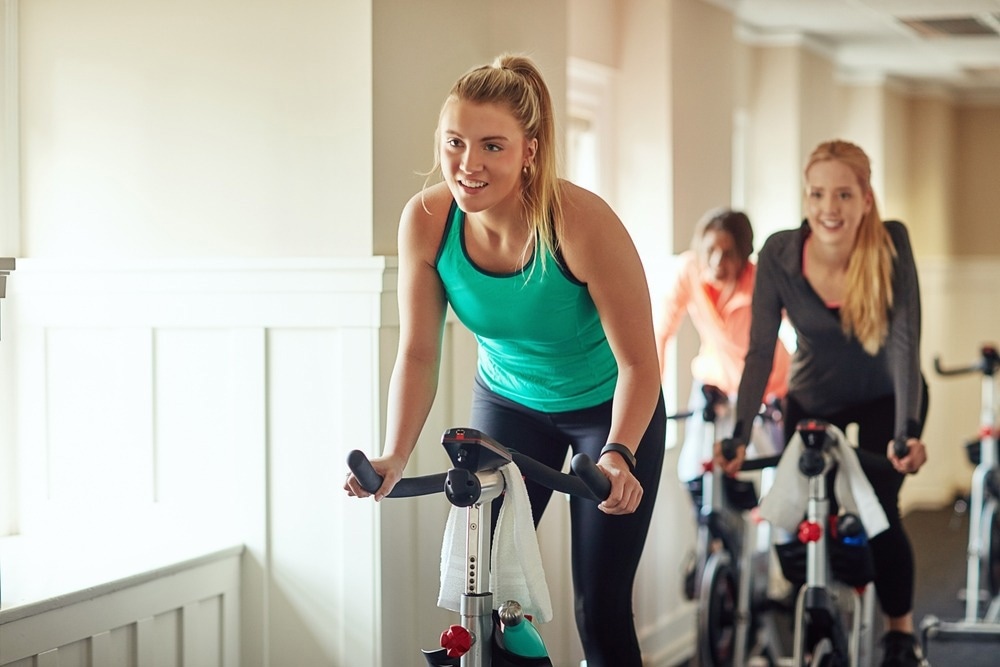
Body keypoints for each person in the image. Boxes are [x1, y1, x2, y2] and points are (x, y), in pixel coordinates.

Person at [343, 54, 665, 667]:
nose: (470, 164)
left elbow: (640, 365)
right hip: (510, 404)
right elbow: (416, 351)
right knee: (483, 599)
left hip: (607, 408)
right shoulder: (429, 221)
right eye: (455, 143)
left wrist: (619, 452)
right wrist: (393, 454)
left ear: (530, 151)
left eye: (493, 145)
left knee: (599, 610)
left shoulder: (580, 223)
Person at [714, 139, 930, 667]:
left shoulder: (890, 244)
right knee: (806, 510)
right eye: (817, 194)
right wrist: (739, 436)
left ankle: (898, 635)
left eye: (843, 194)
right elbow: (761, 351)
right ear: (805, 198)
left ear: (865, 198)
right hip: (814, 397)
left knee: (879, 509)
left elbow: (904, 342)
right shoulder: (781, 253)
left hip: (887, 395)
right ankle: (821, 602)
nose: (829, 208)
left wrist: (906, 431)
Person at [655, 207, 790, 486]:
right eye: (711, 250)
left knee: (782, 479)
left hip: (768, 385)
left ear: (744, 254)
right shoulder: (689, 271)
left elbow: (803, 325)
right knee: (695, 475)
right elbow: (661, 333)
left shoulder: (760, 281)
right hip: (713, 381)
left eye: (728, 253)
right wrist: (651, 396)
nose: (717, 261)